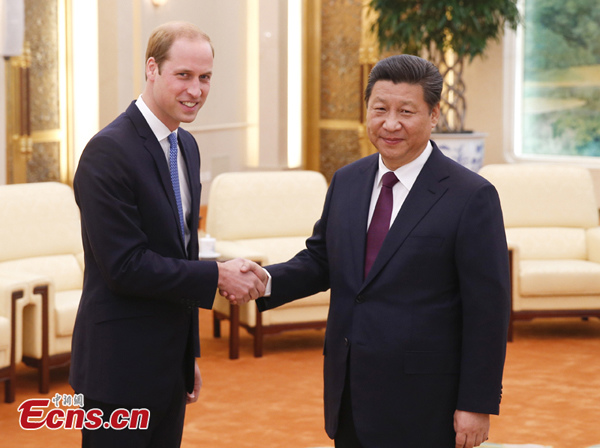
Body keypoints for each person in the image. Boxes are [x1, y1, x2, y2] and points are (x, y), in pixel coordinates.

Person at [254, 54, 511, 447]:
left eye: (406, 111)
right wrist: (263, 280)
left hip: (426, 404)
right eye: (380, 109)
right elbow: (323, 259)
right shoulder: (347, 180)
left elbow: (488, 311)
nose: (390, 124)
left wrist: (476, 404)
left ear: (434, 115)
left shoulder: (470, 196)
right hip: (349, 392)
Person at [70, 21, 266, 448]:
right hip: (117, 371)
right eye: (184, 75)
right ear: (152, 69)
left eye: (205, 77)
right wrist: (216, 276)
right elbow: (125, 267)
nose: (196, 90)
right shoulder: (107, 152)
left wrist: (187, 354)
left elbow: (180, 250)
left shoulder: (187, 147)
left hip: (167, 366)